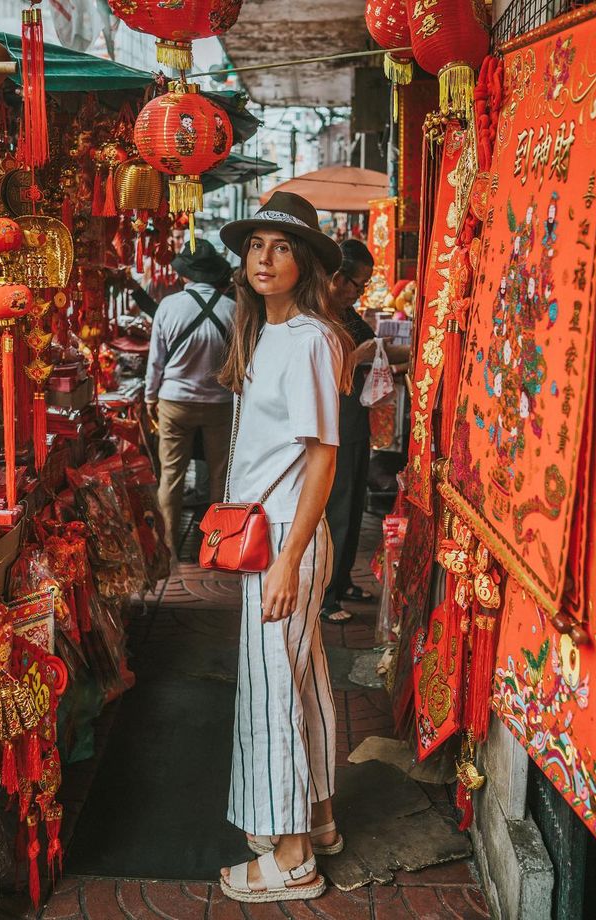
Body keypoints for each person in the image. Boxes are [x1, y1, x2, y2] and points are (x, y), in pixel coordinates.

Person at [216, 191, 353, 904]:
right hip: (266, 536)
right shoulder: (269, 334)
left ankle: (292, 858)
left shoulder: (306, 340)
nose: (264, 259)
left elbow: (324, 461)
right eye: (256, 246)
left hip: (284, 540)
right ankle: (320, 819)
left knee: (274, 691)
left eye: (282, 247)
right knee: (302, 682)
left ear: (305, 264)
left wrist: (291, 563)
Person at [320, 240, 409, 623]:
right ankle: (325, 595)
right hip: (334, 423)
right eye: (359, 284)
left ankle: (340, 582)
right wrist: (361, 357)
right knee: (337, 508)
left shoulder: (347, 313)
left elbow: (376, 350)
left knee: (353, 505)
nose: (360, 291)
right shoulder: (317, 317)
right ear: (337, 279)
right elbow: (325, 375)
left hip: (354, 421)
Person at [144, 239, 235, 556]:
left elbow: (156, 360)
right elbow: (239, 365)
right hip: (219, 406)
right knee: (219, 476)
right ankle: (217, 546)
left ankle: (168, 546)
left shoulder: (169, 306)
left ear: (185, 275)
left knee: (170, 476)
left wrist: (150, 397)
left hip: (175, 403)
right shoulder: (232, 310)